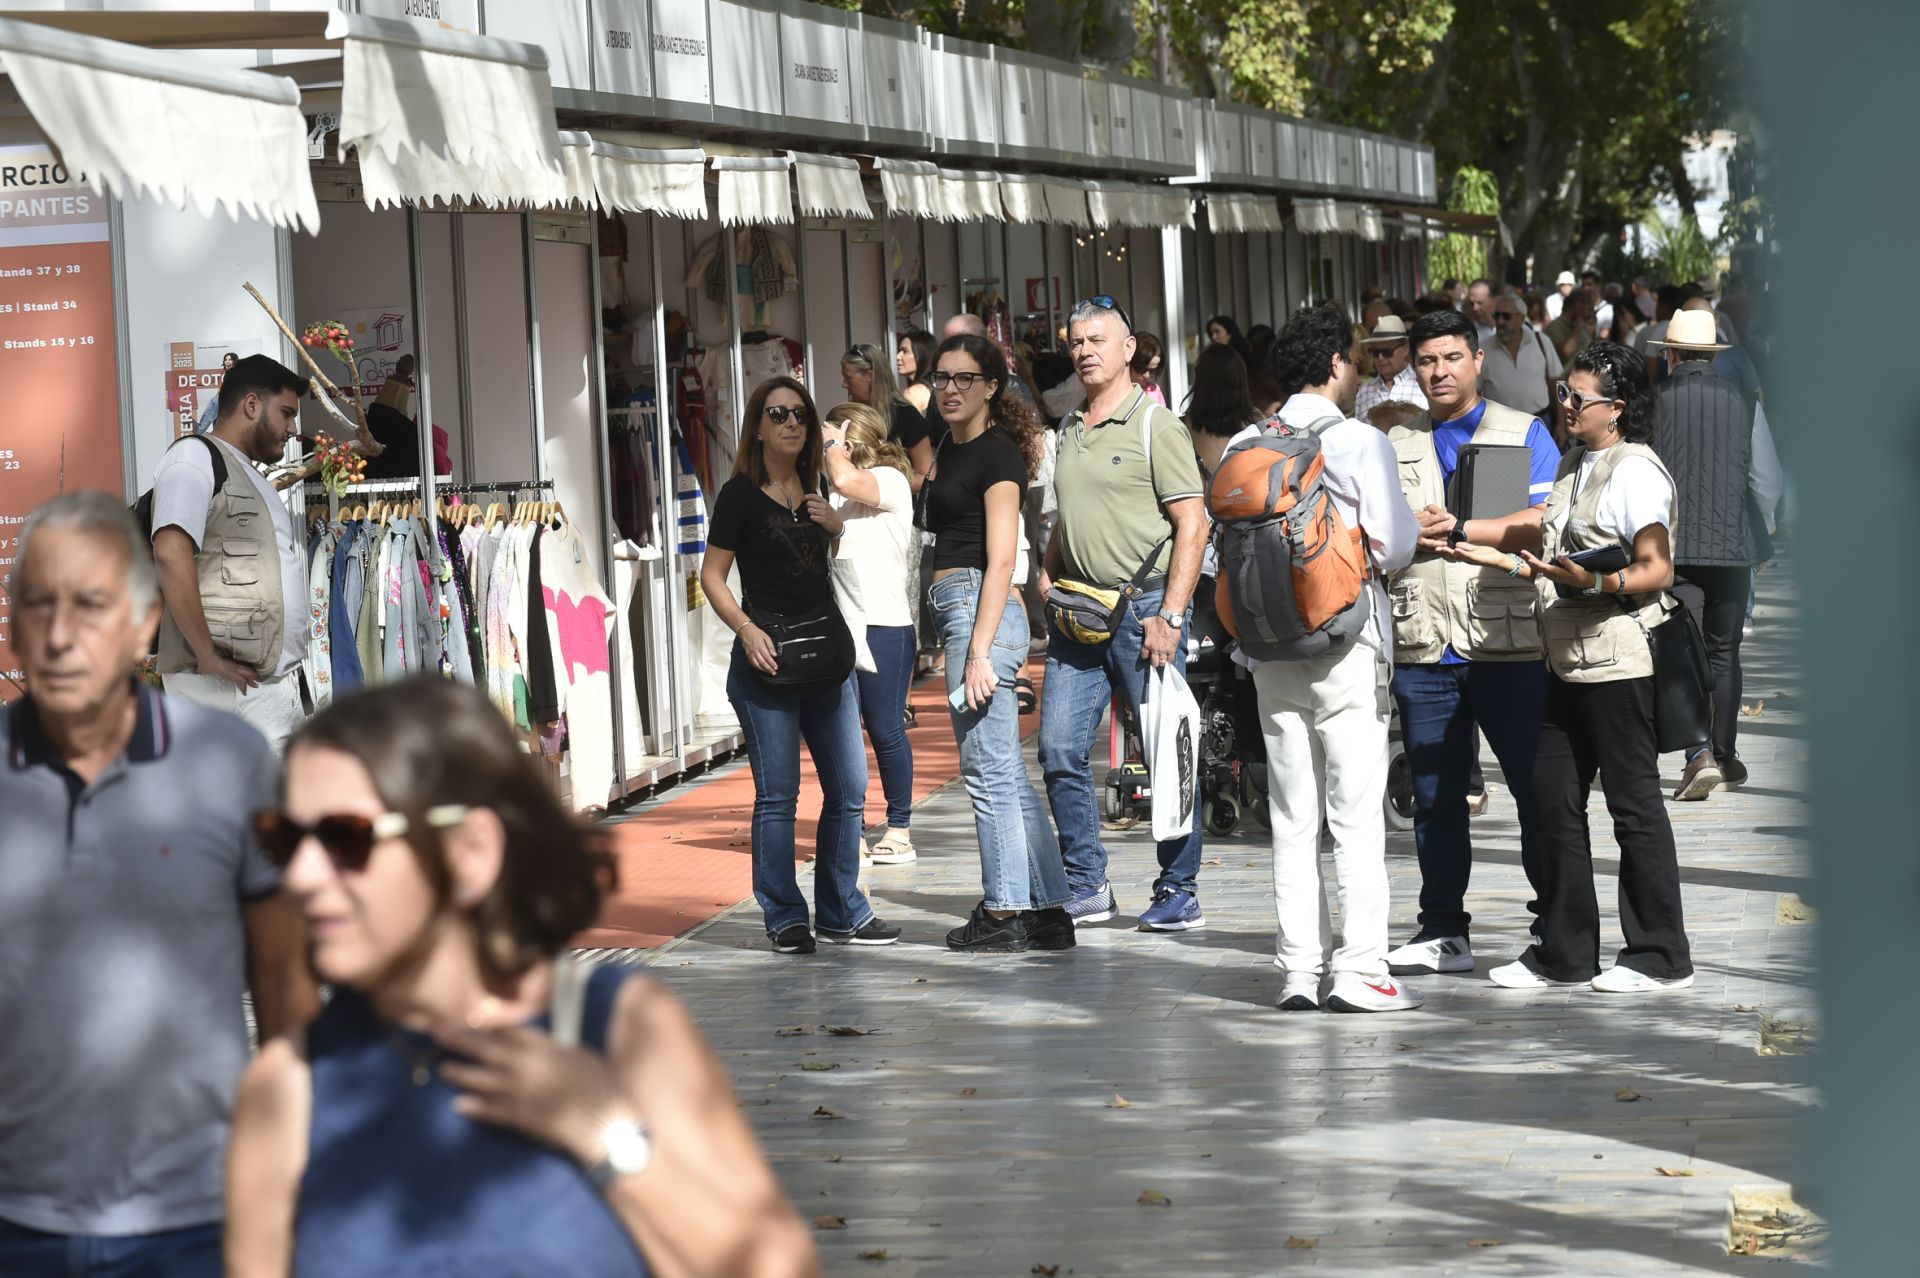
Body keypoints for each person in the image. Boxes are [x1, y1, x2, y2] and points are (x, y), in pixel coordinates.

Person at [224, 678, 818, 1275]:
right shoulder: (289, 1086)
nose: (300, 875)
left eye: (342, 838)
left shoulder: (617, 1027)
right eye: (285, 839)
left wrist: (606, 1134)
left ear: (470, 851)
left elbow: (776, 1265)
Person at [0, 492, 314, 1275]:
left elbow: (284, 986)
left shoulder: (228, 765)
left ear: (145, 624)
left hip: (197, 1224)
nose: (62, 634)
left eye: (92, 605)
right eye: (38, 605)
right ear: (10, 628)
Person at [1448, 343, 1696, 993]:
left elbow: (1657, 567)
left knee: (1632, 805)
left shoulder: (1636, 471)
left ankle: (1660, 954)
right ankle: (1564, 950)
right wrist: (1466, 534)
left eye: (1577, 399)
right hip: (1565, 660)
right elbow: (1541, 528)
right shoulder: (1572, 462)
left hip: (1618, 659)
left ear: (1615, 409)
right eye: (1562, 392)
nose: (1564, 406)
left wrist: (1595, 577)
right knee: (1553, 800)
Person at [1248, 306, 1422, 1013]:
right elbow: (1394, 545)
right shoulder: (1356, 442)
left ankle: (1297, 971)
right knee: (1353, 816)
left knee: (1291, 818)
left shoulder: (1246, 440)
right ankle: (1359, 971)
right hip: (1347, 644)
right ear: (1335, 367)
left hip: (1268, 650)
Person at [1380, 309, 1562, 978]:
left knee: (1536, 790)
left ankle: (1555, 924)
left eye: (1452, 357)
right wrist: (1406, 536)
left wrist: (1462, 527)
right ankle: (1443, 930)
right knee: (1433, 796)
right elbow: (1370, 535)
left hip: (1504, 643)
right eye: (1427, 361)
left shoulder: (1516, 433)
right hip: (1424, 645)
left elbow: (1540, 524)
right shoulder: (1397, 443)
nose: (1439, 371)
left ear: (1477, 360)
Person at [701, 377, 900, 953]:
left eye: (800, 416)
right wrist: (745, 628)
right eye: (777, 414)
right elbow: (712, 576)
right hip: (767, 662)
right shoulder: (739, 495)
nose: (791, 423)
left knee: (851, 788)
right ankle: (785, 915)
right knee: (778, 795)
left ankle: (841, 909)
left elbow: (819, 564)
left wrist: (835, 529)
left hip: (826, 654)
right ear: (758, 428)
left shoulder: (816, 488)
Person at [1042, 296, 1211, 930]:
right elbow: (1070, 514)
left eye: (1097, 340)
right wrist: (1048, 568)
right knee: (1058, 748)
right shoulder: (1069, 427)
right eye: (1077, 341)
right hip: (1078, 610)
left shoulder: (1155, 425)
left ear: (1128, 350)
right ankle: (1087, 883)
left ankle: (1179, 889)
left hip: (1145, 610)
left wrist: (1170, 613)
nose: (1084, 351)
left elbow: (1192, 525)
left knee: (1169, 750)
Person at [920, 334, 1075, 951]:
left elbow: (1003, 556)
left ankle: (1005, 907)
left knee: (986, 772)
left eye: (964, 378)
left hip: (978, 613)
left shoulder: (998, 455)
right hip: (961, 610)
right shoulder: (949, 451)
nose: (950, 388)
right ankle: (1047, 910)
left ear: (991, 386)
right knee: (1005, 772)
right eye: (942, 377)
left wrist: (981, 651)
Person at [1650, 308, 1784, 799]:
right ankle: (1723, 754)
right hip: (1733, 547)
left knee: (1682, 653)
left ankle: (1697, 753)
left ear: (1671, 354)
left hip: (1674, 548)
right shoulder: (1744, 403)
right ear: (1710, 355)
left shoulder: (1653, 402)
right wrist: (1759, 527)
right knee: (1725, 651)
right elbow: (1767, 480)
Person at [150, 353, 313, 753]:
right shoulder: (193, 457)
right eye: (287, 413)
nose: (293, 429)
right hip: (224, 693)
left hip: (257, 692)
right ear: (252, 405)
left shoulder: (245, 470)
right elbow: (171, 551)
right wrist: (206, 655)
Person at [821, 402, 919, 865]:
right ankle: (852, 829)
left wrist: (829, 446)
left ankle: (899, 828)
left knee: (885, 730)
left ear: (850, 438)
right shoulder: (838, 495)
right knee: (843, 734)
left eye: (830, 436)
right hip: (843, 625)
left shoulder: (891, 480)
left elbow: (843, 477)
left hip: (885, 624)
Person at [841, 343, 935, 493]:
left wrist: (881, 486)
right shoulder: (851, 416)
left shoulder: (905, 414)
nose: (844, 384)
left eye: (848, 377)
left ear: (870, 376)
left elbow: (928, 475)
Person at [1183, 342, 1265, 476]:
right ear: (1240, 379)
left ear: (1201, 380)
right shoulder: (1258, 424)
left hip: (1203, 495)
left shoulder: (1183, 429)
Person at [1479, 292, 1558, 423]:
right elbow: (1474, 392)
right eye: (1496, 315)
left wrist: (1561, 425)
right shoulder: (1483, 349)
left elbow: (1554, 384)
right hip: (1498, 423)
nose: (1500, 321)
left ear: (1521, 319)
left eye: (1506, 316)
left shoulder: (1541, 341)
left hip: (1539, 420)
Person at [1353, 314, 1427, 430]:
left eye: (1387, 352)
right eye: (1375, 352)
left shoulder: (1423, 385)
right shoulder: (1364, 392)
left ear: (1405, 349)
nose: (1380, 358)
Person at [362, 353, 421, 480]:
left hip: (378, 476)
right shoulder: (408, 430)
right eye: (401, 359)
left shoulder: (374, 416)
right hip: (391, 478)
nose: (401, 361)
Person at [1545, 289, 1596, 373]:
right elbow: (1566, 351)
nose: (1592, 314)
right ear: (1578, 305)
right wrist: (1578, 329)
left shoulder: (1582, 327)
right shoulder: (1554, 327)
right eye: (1589, 309)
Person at [194, 351, 238, 433]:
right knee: (217, 432)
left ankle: (192, 443)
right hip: (221, 402)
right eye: (226, 359)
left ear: (235, 361)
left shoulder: (235, 374)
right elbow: (210, 380)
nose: (227, 361)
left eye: (230, 360)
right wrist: (195, 382)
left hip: (219, 401)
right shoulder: (224, 372)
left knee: (201, 429)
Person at [895, 327, 936, 416]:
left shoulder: (913, 393)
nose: (898, 356)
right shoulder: (935, 386)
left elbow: (910, 429)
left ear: (922, 354)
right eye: (899, 351)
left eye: (905, 351)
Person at [1129, 332, 1167, 407]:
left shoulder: (1154, 390)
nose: (1147, 375)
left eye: (1152, 371)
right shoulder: (1117, 391)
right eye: (1141, 369)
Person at [1464, 279, 1497, 346]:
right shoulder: (1467, 335)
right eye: (1472, 303)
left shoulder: (1513, 327)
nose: (1475, 308)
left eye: (1480, 303)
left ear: (1494, 301)